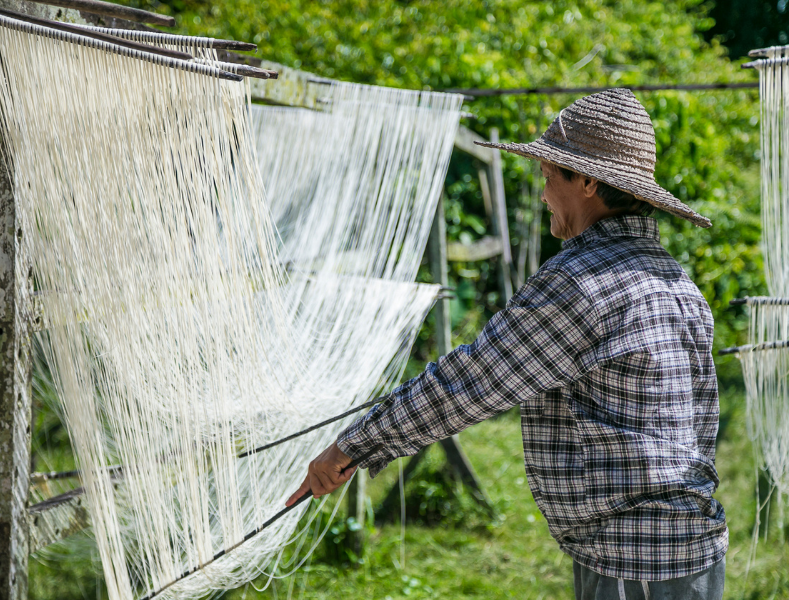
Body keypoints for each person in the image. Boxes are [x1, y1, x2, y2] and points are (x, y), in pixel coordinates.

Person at [286, 88, 727, 600]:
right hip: (689, 554)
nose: (543, 194)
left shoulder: (582, 282)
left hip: (635, 563)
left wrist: (351, 447)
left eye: (547, 177)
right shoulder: (676, 281)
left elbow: (469, 383)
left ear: (585, 182)